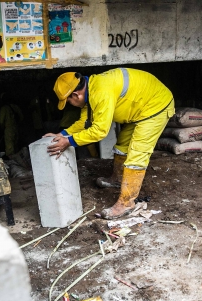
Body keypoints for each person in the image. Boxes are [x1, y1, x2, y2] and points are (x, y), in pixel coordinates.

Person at [46, 68, 175, 219]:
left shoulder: (101, 92)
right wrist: (62, 134)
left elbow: (99, 130)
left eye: (68, 101)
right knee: (122, 146)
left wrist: (69, 142)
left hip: (155, 107)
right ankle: (118, 179)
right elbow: (85, 122)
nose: (70, 104)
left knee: (137, 154)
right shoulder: (91, 90)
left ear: (76, 94)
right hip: (141, 109)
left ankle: (127, 203)